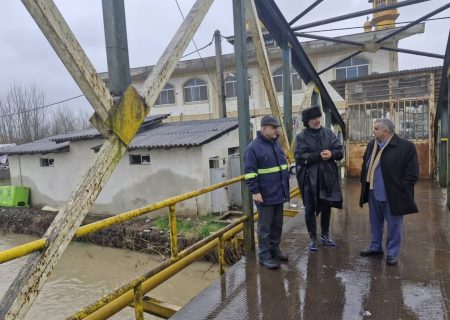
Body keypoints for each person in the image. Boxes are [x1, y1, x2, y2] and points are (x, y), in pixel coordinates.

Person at [359, 118, 419, 266]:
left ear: (386, 131)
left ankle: (392, 253)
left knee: (394, 225)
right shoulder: (373, 144)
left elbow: (412, 173)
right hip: (373, 192)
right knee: (375, 222)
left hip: (393, 194)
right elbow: (365, 165)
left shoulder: (405, 146)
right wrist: (364, 181)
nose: (373, 131)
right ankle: (376, 247)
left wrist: (402, 190)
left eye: (376, 128)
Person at [295, 106, 343, 252]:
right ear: (307, 121)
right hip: (310, 179)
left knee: (326, 206)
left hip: (327, 177)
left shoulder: (328, 133)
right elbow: (299, 156)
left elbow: (340, 151)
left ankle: (325, 235)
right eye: (312, 119)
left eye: (318, 117)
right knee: (309, 208)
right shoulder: (301, 137)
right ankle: (312, 239)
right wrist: (317, 156)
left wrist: (332, 154)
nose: (316, 121)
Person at [244, 115, 290, 269]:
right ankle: (264, 256)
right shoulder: (253, 148)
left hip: (278, 193)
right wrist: (255, 191)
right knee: (265, 228)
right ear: (264, 129)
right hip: (265, 195)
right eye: (273, 128)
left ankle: (275, 250)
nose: (277, 130)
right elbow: (250, 173)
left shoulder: (275, 144)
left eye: (277, 128)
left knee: (277, 226)